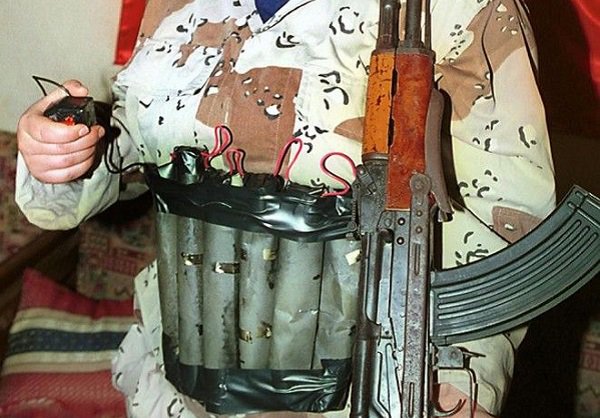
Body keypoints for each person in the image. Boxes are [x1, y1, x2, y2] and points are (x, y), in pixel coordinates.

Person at [15, 0, 556, 417]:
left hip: (368, 383)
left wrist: (467, 372)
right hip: (181, 375)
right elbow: (136, 153)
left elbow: (509, 207)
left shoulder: (452, 7)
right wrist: (62, 154)